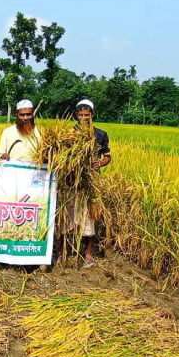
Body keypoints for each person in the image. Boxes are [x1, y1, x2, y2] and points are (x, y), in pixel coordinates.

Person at [73, 98, 111, 268]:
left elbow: (107, 157)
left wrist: (100, 163)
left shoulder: (100, 134)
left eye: (86, 115)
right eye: (80, 115)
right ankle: (66, 250)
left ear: (92, 115)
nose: (83, 118)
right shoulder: (71, 133)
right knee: (70, 214)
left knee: (91, 216)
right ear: (76, 115)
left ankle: (88, 253)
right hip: (74, 180)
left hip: (92, 180)